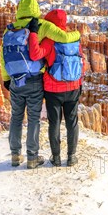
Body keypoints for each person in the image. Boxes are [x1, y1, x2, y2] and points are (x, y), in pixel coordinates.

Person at [0, 0, 80, 169]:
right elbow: (64, 38)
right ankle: (32, 158)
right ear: (36, 8)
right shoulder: (42, 25)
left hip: (15, 80)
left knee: (16, 117)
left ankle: (15, 155)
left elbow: (3, 57)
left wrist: (6, 79)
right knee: (34, 118)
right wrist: (79, 34)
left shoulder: (10, 30)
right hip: (35, 80)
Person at [27, 9, 84, 167]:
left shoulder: (50, 40)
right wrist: (79, 84)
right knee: (72, 122)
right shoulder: (74, 40)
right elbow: (81, 63)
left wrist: (33, 33)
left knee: (55, 123)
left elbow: (35, 54)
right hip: (73, 87)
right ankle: (72, 156)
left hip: (53, 89)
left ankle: (56, 158)